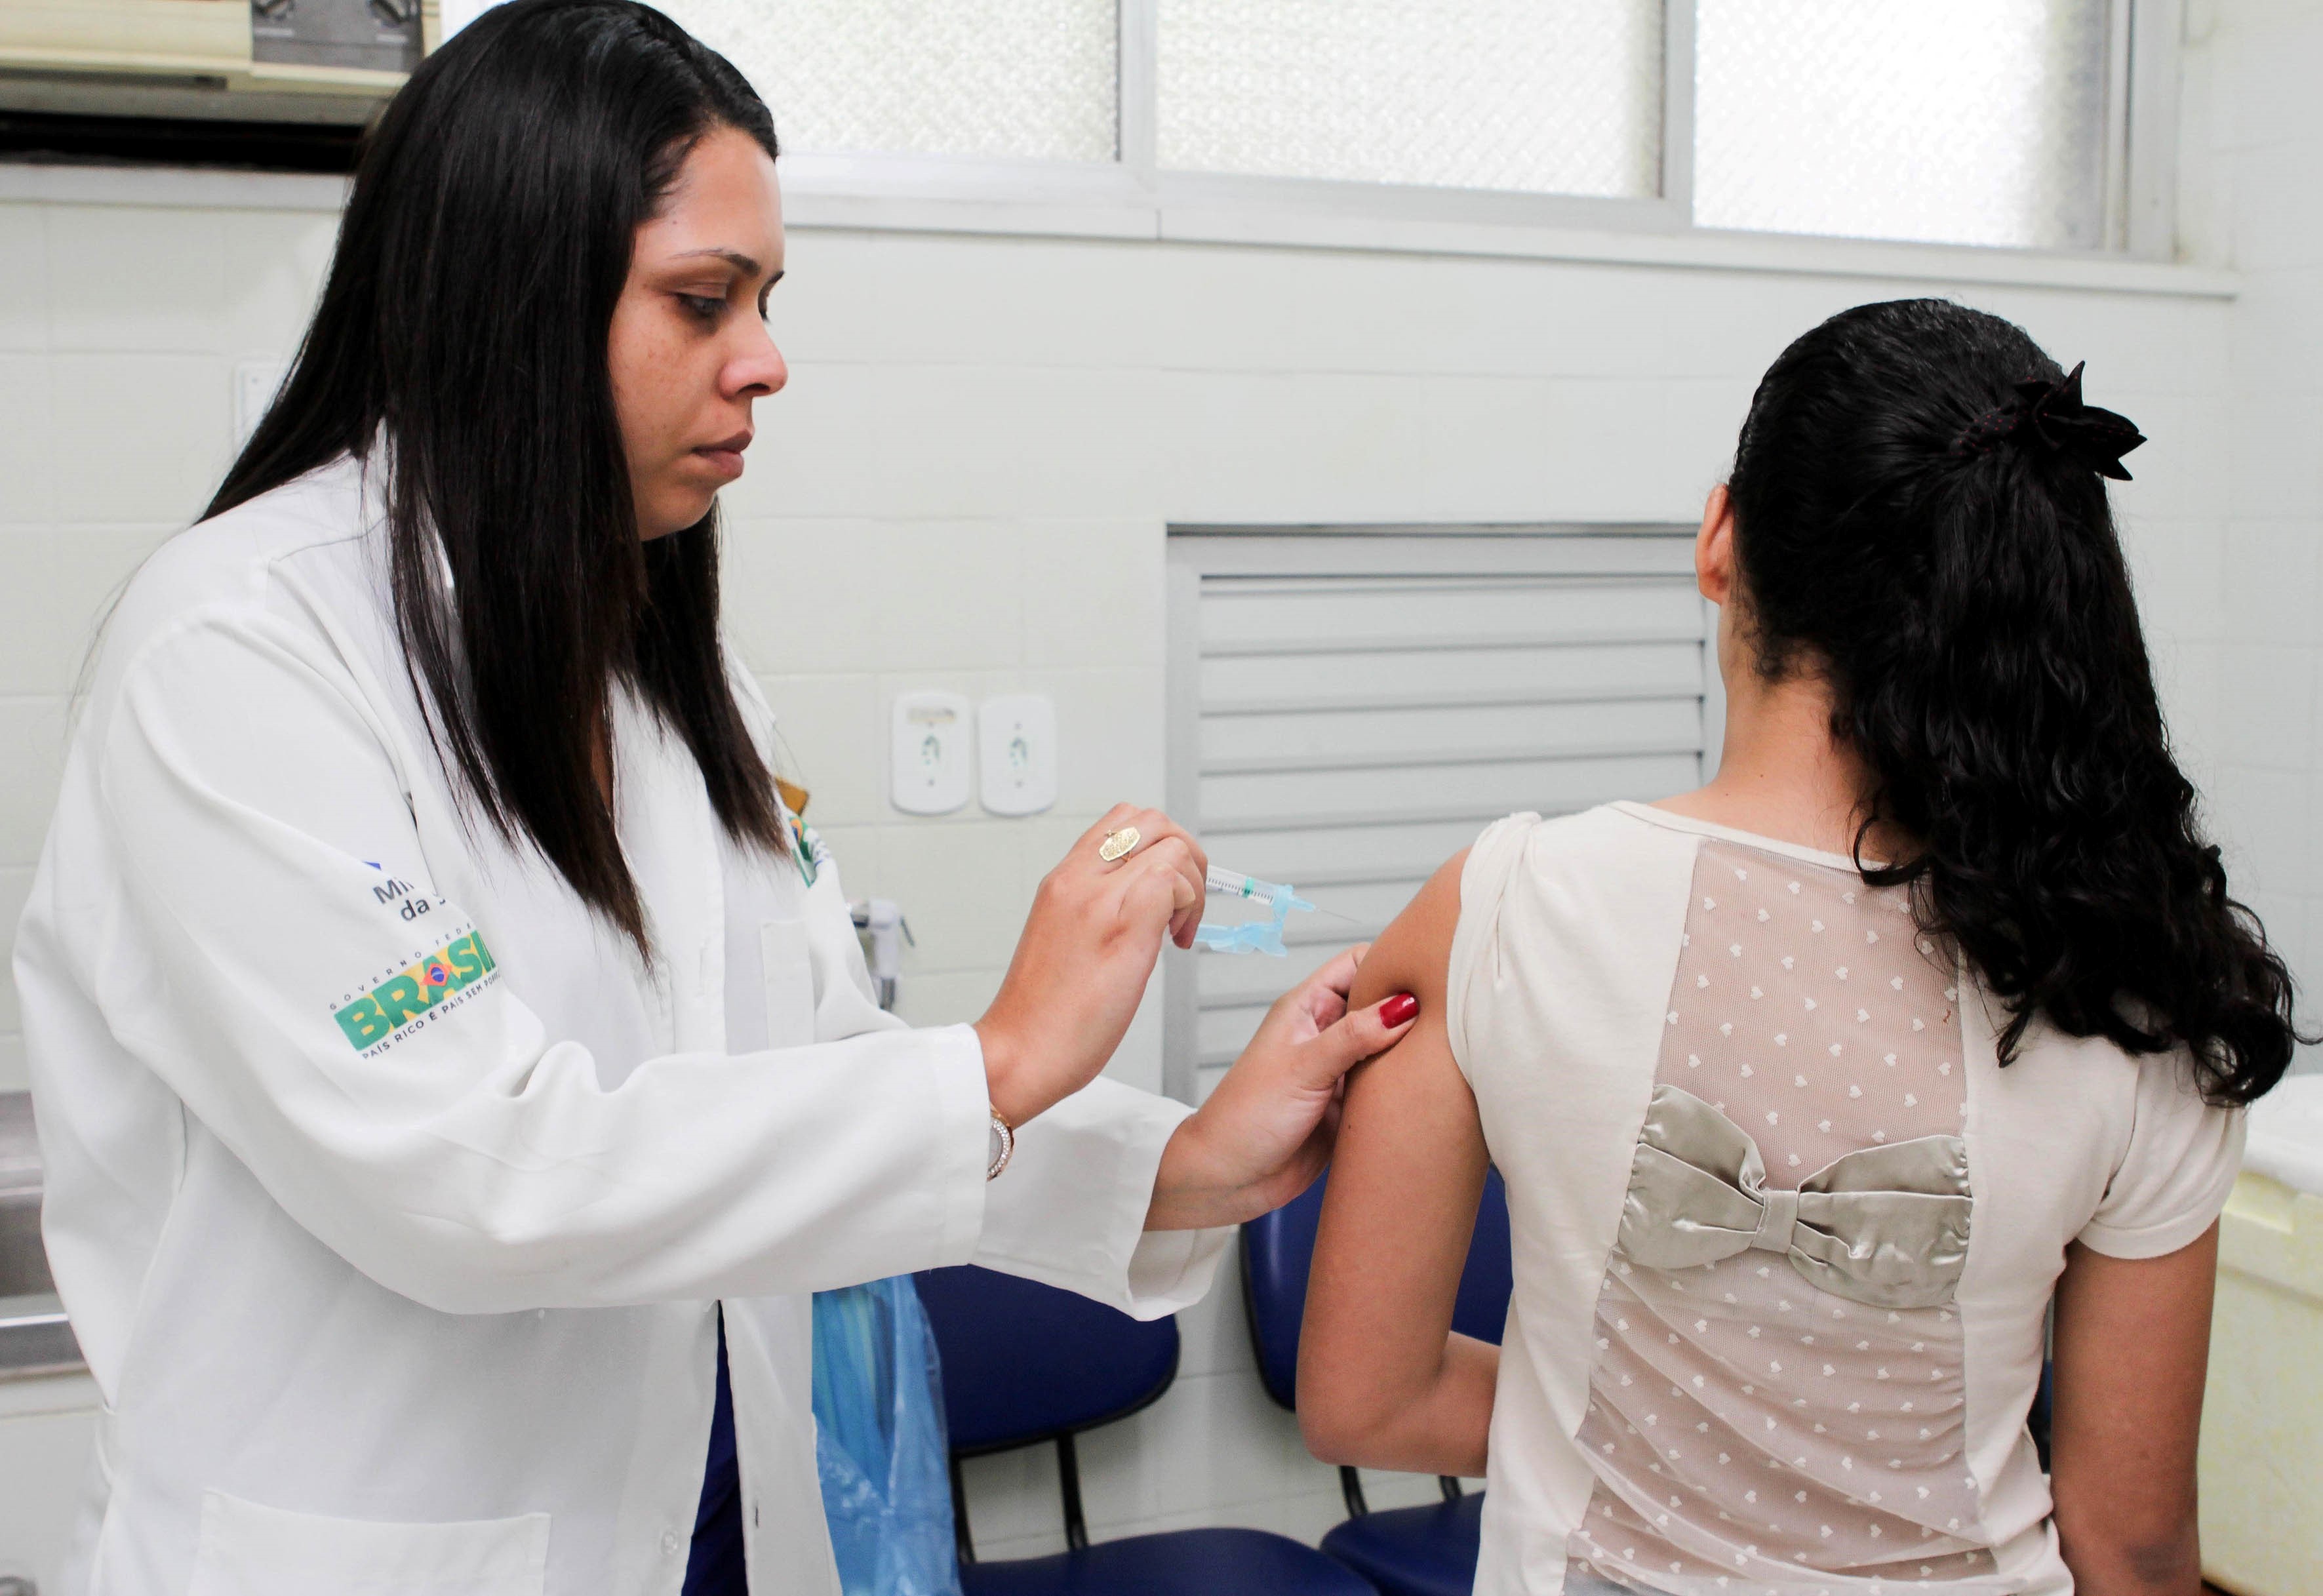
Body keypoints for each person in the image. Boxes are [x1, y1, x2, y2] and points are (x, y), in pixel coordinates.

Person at [9, 6, 1414, 1593]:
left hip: (701, 1531)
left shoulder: (665, 680)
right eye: (702, 299)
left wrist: (1183, 1164)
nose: (765, 357)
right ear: (512, 302)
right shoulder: (241, 647)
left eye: (762, 298)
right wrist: (1004, 1054)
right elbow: (470, 1169)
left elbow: (804, 1078)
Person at [1298, 300, 2298, 1595]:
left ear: (1721, 539)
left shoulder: (1504, 905)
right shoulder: (2126, 982)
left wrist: (1603, 1425)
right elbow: (2131, 1533)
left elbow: (1364, 1402)